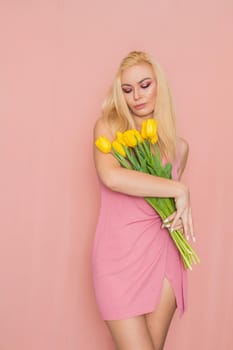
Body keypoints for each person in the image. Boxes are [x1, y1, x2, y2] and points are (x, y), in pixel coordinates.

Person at [91, 50, 195, 350]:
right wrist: (180, 190)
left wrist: (180, 201)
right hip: (116, 258)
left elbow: (164, 202)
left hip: (163, 258)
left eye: (145, 85)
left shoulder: (179, 148)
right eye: (127, 89)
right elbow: (112, 177)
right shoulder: (108, 129)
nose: (136, 96)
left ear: (159, 86)